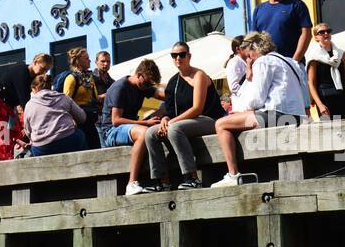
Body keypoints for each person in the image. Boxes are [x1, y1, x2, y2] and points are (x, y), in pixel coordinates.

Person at [211, 32, 307, 187]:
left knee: (221, 124)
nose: (248, 58)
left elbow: (257, 98)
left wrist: (243, 111)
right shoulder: (289, 61)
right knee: (240, 117)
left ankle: (233, 175)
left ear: (254, 47)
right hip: (297, 115)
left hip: (277, 115)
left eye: (248, 53)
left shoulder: (263, 62)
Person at [139, 42, 227, 192]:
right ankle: (163, 181)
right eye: (174, 55)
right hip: (184, 122)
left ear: (189, 56)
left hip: (210, 119)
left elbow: (197, 109)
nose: (178, 58)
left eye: (182, 54)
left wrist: (170, 122)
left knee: (174, 129)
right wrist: (165, 119)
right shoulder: (173, 82)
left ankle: (192, 178)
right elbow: (169, 110)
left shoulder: (199, 75)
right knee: (150, 133)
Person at [97, 59, 167, 195]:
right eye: (146, 83)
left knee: (155, 129)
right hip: (111, 131)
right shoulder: (120, 87)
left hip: (130, 126)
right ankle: (132, 183)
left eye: (150, 84)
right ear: (138, 74)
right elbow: (116, 120)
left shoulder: (142, 86)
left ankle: (164, 181)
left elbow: (162, 94)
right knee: (144, 132)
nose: (147, 87)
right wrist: (146, 123)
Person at [0, 53, 51, 163]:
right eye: (43, 69)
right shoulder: (22, 72)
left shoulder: (28, 76)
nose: (44, 73)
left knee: (6, 136)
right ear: (35, 62)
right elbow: (25, 102)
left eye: (46, 70)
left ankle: (2, 160)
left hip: (5, 106)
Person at [23, 74, 88, 156]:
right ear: (50, 86)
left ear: (34, 88)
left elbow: (28, 131)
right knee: (80, 134)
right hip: (68, 140)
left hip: (42, 148)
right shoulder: (63, 97)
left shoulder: (29, 105)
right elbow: (82, 118)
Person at [305, 24, 345, 119]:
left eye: (328, 31)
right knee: (329, 131)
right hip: (324, 97)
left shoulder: (341, 54)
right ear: (316, 37)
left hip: (342, 97)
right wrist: (320, 104)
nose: (326, 33)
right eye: (321, 32)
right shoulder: (314, 56)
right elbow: (311, 83)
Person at [57, 47, 100, 148]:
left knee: (96, 147)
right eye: (86, 58)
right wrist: (72, 121)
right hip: (78, 121)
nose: (89, 60)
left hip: (90, 119)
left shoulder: (89, 77)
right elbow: (65, 102)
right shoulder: (71, 78)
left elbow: (95, 97)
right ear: (78, 61)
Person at [223, 38, 247, 109]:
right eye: (246, 46)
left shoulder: (243, 61)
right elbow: (234, 87)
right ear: (238, 49)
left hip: (245, 103)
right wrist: (250, 92)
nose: (249, 48)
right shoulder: (234, 62)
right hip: (241, 105)